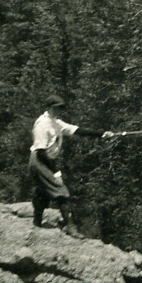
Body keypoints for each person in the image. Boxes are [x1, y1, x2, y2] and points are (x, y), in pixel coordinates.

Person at [29, 96, 113, 234]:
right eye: (57, 107)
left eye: (61, 107)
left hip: (46, 160)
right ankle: (69, 226)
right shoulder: (41, 124)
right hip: (39, 160)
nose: (59, 110)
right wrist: (56, 172)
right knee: (60, 190)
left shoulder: (56, 123)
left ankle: (37, 222)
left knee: (43, 191)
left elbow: (78, 130)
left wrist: (102, 134)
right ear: (49, 107)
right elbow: (41, 151)